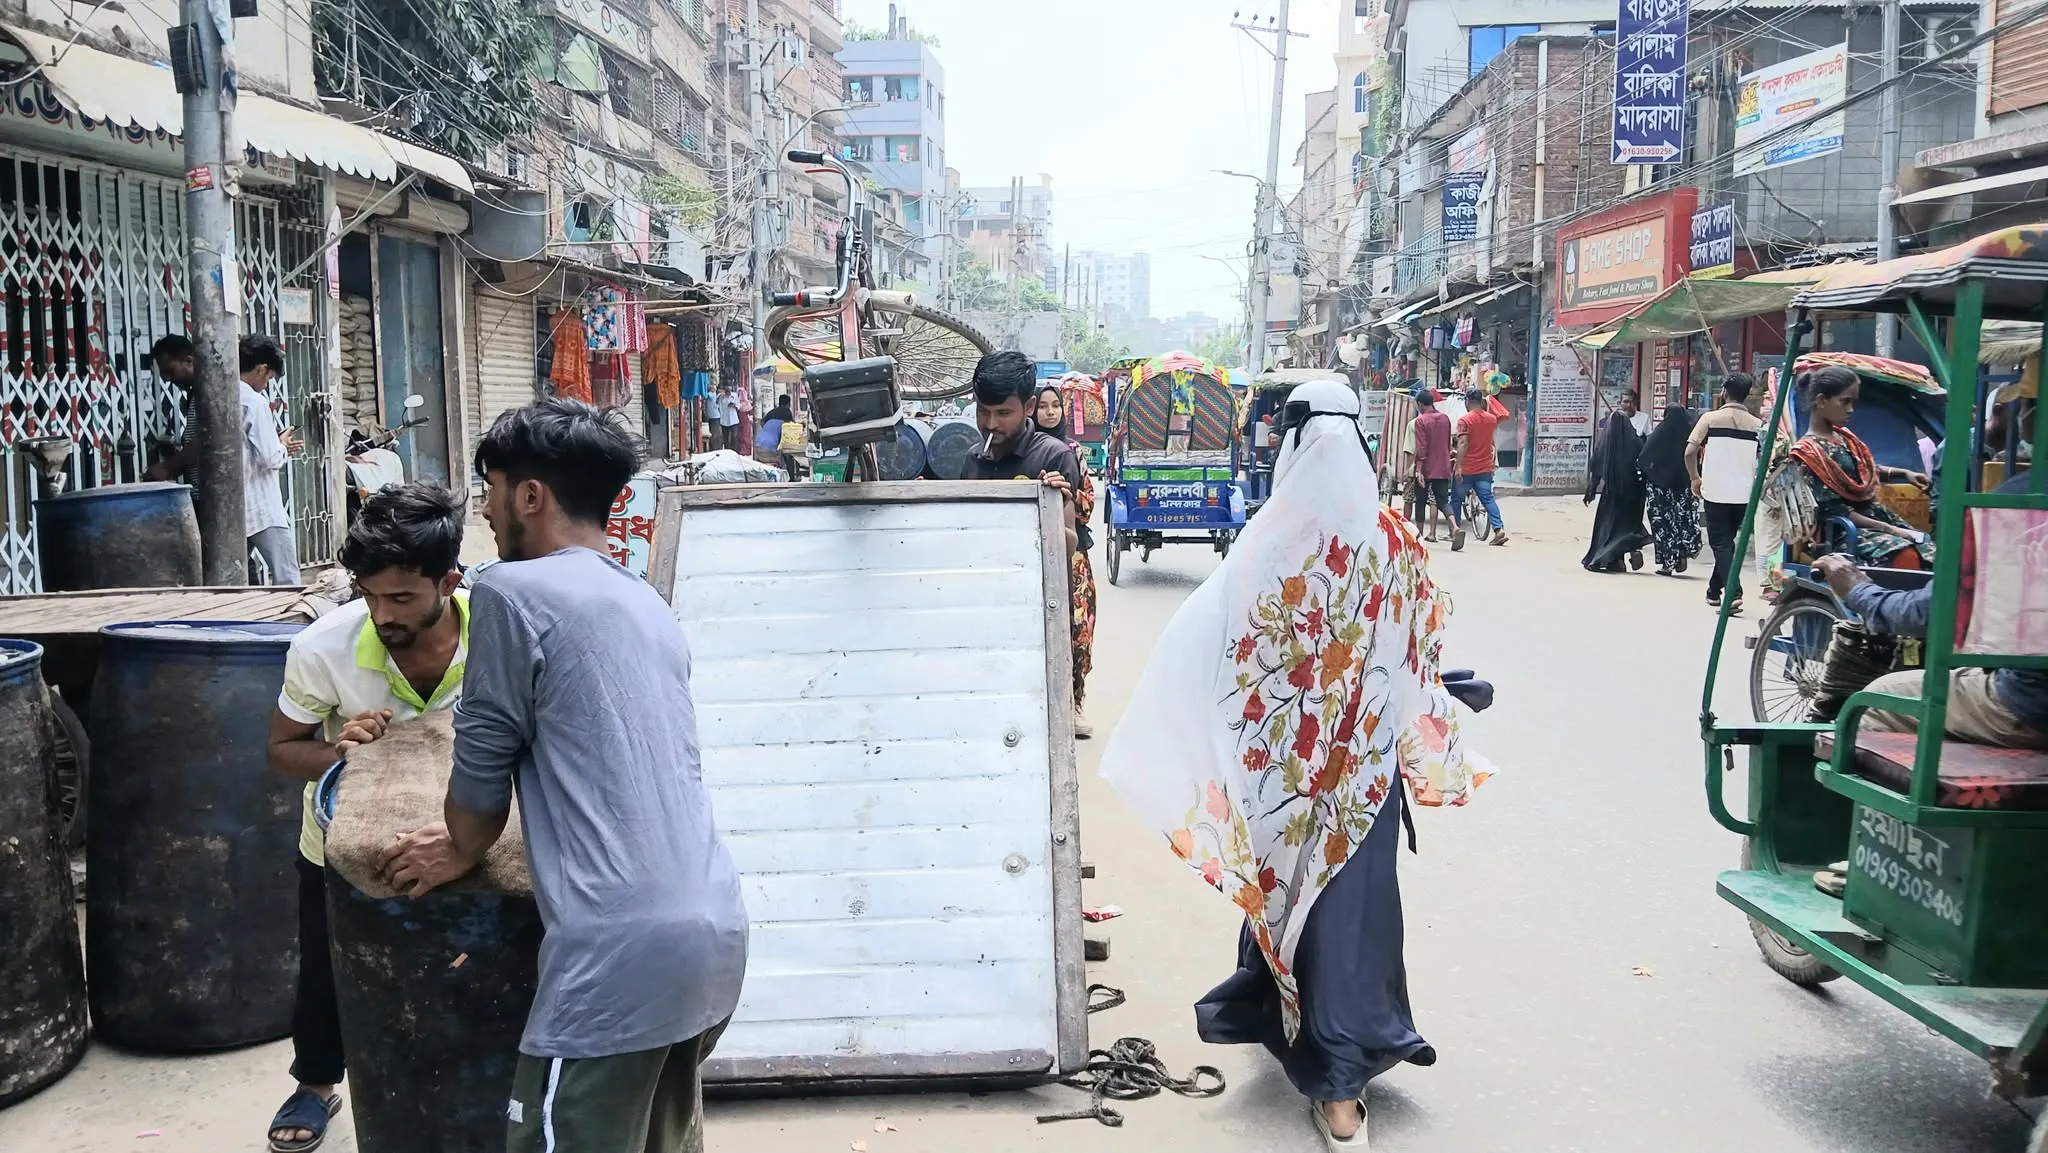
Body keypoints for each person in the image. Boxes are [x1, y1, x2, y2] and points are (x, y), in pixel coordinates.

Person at [1099, 380, 1492, 1151]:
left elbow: (1215, 651)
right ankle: (1317, 1051)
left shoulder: (1266, 545)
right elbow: (1418, 656)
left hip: (1279, 778)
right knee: (1348, 918)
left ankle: (1339, 1086)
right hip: (1362, 785)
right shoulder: (1398, 543)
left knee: (1296, 907)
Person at [379, 399, 747, 1153]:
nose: (483, 510)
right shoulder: (645, 602)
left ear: (530, 495)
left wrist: (458, 844)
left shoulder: (512, 595)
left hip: (613, 962)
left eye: (489, 489)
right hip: (713, 939)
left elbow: (475, 807)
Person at [262, 483, 471, 1153]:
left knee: (468, 971)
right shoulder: (323, 648)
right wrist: (336, 748)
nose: (382, 613)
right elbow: (281, 750)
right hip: (343, 844)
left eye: (402, 598)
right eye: (369, 594)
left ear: (449, 580)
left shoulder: (501, 634)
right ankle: (316, 1081)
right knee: (326, 969)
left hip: (468, 837)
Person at [1771, 366, 1933, 571]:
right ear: (1821, 401)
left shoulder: (1844, 438)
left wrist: (1905, 474)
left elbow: (1865, 469)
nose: (1850, 410)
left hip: (1875, 518)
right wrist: (1891, 530)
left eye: (1853, 403)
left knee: (1930, 547)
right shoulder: (1806, 453)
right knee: (1907, 556)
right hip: (1842, 532)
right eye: (1844, 401)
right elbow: (1836, 511)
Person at [966, 351, 1081, 553]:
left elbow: (1070, 547)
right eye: (983, 411)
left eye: (1004, 413)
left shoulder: (1055, 456)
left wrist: (1051, 506)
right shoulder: (973, 458)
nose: (991, 424)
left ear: (1029, 407)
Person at [1035, 383, 1098, 739]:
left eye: (1055, 405)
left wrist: (1066, 492)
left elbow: (1088, 501)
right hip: (1031, 551)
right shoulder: (1020, 450)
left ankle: (1074, 704)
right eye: (1042, 406)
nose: (1049, 412)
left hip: (1072, 553)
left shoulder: (1072, 452)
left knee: (1078, 630)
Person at [1686, 372, 1764, 612]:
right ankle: (1714, 591)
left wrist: (1695, 478)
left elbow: (1690, 452)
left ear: (1723, 392)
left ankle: (1733, 592)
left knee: (1721, 544)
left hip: (1716, 492)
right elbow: (1762, 460)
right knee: (1726, 544)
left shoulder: (1709, 418)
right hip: (1744, 494)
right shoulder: (1757, 425)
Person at [241, 335, 304, 585]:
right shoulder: (254, 403)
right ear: (261, 369)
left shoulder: (222, 395)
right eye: (268, 378)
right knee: (287, 577)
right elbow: (271, 457)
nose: (267, 385)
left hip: (232, 506)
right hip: (260, 505)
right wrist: (283, 446)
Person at [1581, 409, 1651, 573]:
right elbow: (1645, 460)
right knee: (1628, 525)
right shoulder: (1635, 441)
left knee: (1608, 527)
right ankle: (1631, 549)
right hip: (1632, 492)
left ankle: (1614, 559)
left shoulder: (1605, 443)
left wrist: (1591, 489)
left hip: (1611, 493)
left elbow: (1596, 466)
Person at [1638, 404, 1701, 577]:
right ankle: (1681, 555)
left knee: (1663, 525)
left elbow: (1643, 458)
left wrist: (1653, 473)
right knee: (1682, 522)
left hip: (1660, 489)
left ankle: (1668, 563)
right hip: (1683, 487)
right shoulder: (1689, 434)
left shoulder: (1660, 433)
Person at [1450, 388, 1509, 545]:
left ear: (1467, 401)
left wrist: (1459, 466)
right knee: (1488, 499)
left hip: (1468, 468)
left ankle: (1456, 530)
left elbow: (1463, 443)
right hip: (1485, 467)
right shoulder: (1491, 419)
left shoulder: (1465, 420)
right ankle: (1499, 529)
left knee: (1456, 499)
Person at [1403, 390, 1460, 548]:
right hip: (1443, 466)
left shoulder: (1421, 421)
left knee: (1420, 501)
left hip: (1427, 468)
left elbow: (1421, 447)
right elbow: (1448, 443)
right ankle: (1454, 526)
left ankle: (1419, 535)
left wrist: (1418, 470)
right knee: (1442, 500)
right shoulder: (1445, 418)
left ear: (1420, 404)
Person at [144, 334, 199, 482]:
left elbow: (208, 439)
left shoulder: (209, 396)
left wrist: (169, 467)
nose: (168, 379)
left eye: (170, 371)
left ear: (189, 361)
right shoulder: (195, 395)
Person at [757, 394, 800, 479]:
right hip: (772, 447)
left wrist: (768, 430)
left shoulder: (772, 412)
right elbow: (792, 428)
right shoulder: (787, 412)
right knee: (790, 454)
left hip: (758, 443)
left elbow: (762, 422)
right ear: (788, 404)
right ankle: (790, 478)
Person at [714, 385, 742, 451]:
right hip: (724, 421)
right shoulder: (721, 397)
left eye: (729, 391)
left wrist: (734, 405)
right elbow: (716, 405)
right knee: (725, 438)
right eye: (727, 391)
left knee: (734, 436)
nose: (728, 393)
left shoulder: (734, 396)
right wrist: (718, 396)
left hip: (733, 420)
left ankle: (734, 450)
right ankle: (727, 451)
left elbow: (738, 406)